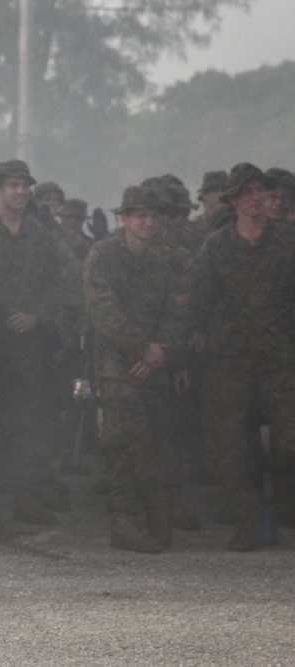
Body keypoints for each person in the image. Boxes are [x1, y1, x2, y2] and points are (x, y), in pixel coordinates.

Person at [0, 159, 79, 525]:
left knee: (28, 420)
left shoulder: (42, 236)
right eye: (11, 185)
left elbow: (69, 277)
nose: (19, 192)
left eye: (23, 185)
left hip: (29, 345)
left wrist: (38, 315)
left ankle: (24, 497)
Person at [186, 163, 295, 551]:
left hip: (281, 357)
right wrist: (187, 353)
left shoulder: (288, 241)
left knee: (288, 443)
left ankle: (281, 504)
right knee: (232, 445)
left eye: (261, 191)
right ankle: (248, 519)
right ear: (233, 201)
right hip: (229, 360)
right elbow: (198, 301)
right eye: (246, 192)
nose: (255, 198)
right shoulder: (216, 246)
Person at [83, 186, 185, 553]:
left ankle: (158, 519)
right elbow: (102, 310)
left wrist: (161, 353)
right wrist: (144, 348)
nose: (148, 221)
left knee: (157, 442)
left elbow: (176, 312)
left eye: (154, 215)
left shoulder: (162, 261)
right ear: (124, 218)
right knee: (124, 444)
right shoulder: (103, 255)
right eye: (140, 214)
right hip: (116, 367)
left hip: (153, 366)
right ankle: (124, 523)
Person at [56, 198, 94, 262]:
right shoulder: (55, 239)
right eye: (62, 217)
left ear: (80, 220)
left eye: (68, 218)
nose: (63, 221)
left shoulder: (91, 244)